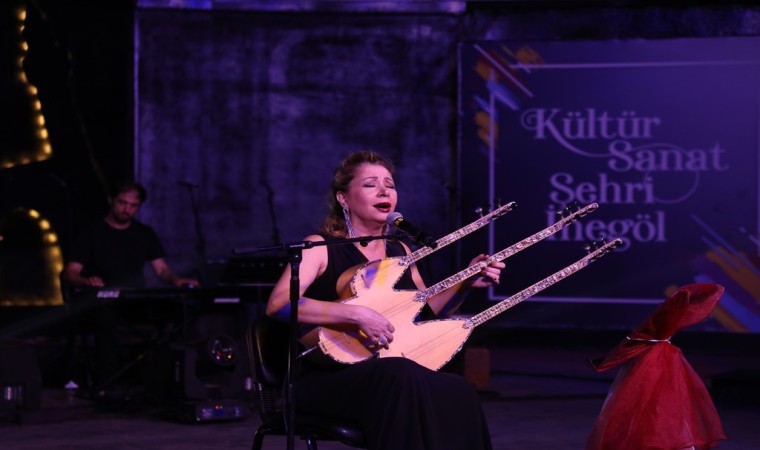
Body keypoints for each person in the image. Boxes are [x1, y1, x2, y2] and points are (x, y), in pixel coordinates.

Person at [266, 151, 504, 450]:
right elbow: (279, 305)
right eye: (370, 184)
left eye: (389, 185)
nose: (384, 191)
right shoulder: (320, 246)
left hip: (385, 370)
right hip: (327, 376)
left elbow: (426, 312)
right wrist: (356, 314)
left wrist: (465, 282)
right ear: (343, 199)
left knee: (458, 389)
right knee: (401, 373)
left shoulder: (401, 251)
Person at [62, 181, 199, 392]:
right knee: (104, 317)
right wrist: (86, 281)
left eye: (133, 205)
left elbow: (162, 269)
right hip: (100, 302)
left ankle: (163, 376)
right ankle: (109, 383)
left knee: (184, 313)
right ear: (110, 200)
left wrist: (175, 280)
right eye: (122, 203)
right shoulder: (91, 232)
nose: (127, 209)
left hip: (133, 301)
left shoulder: (145, 233)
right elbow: (70, 272)